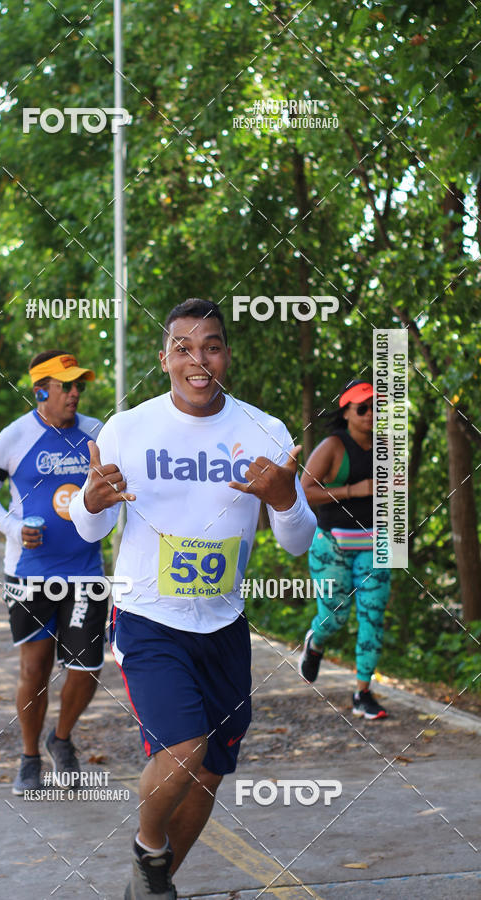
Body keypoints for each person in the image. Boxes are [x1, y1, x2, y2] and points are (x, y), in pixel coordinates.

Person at [70, 299, 316, 900]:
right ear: (165, 359)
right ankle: (148, 848)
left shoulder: (265, 431)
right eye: (183, 348)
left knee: (207, 774)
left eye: (211, 346)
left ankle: (152, 885)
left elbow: (297, 542)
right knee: (183, 750)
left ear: (226, 355)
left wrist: (285, 500)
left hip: (224, 624)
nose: (197, 360)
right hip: (149, 616)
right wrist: (90, 502)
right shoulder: (127, 428)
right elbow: (90, 527)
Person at [0, 350, 109, 794]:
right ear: (40, 391)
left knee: (87, 667)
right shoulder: (14, 437)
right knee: (34, 669)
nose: (75, 393)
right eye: (65, 385)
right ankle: (29, 756)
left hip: (85, 571)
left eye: (78, 385)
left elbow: (117, 487)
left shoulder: (97, 433)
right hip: (29, 572)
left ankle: (62, 738)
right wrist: (13, 528)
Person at [298, 379, 391, 720]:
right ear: (347, 412)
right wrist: (355, 490)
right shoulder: (333, 446)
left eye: (376, 407)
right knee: (335, 617)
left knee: (373, 617)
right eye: (362, 408)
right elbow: (304, 491)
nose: (370, 414)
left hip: (375, 544)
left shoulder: (386, 447)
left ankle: (362, 693)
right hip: (332, 545)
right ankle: (316, 642)